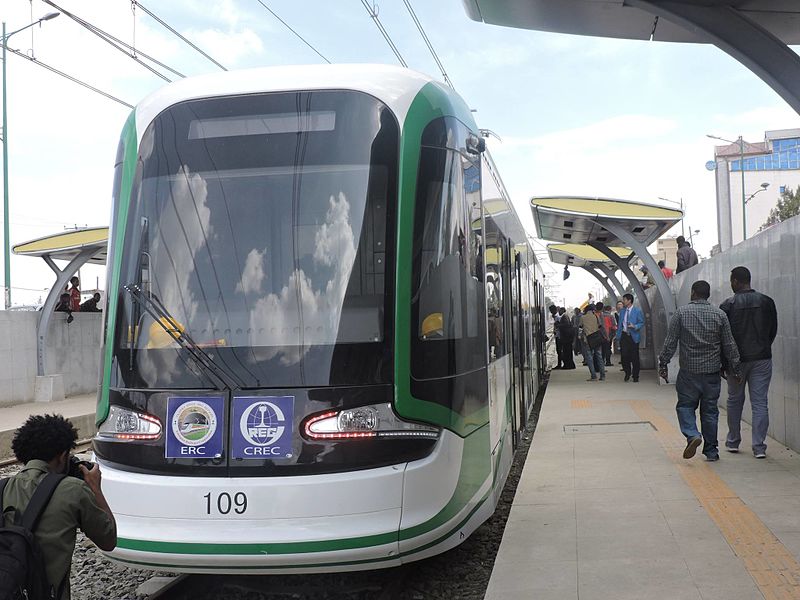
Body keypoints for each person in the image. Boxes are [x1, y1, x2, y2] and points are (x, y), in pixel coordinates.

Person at [1, 414, 117, 599]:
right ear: (63, 456)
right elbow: (109, 540)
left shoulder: (3, 488)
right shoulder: (74, 490)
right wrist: (95, 488)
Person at [658, 280, 742, 462]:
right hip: (712, 373)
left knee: (685, 406)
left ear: (694, 293)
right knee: (710, 411)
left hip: (689, 373)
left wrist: (663, 364)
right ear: (708, 294)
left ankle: (692, 434)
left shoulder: (681, 313)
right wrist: (736, 368)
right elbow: (729, 344)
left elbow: (670, 342)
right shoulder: (719, 315)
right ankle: (711, 451)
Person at [720, 266, 778, 458]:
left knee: (734, 401)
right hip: (762, 358)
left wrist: (724, 362)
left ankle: (733, 441)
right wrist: (764, 346)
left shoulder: (728, 305)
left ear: (736, 281)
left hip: (736, 362)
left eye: (731, 281)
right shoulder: (767, 302)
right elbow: (772, 330)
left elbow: (723, 337)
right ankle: (759, 447)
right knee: (760, 402)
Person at [616, 293, 644, 382]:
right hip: (624, 336)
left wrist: (635, 326)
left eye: (624, 300)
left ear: (629, 300)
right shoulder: (622, 311)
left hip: (633, 336)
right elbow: (620, 324)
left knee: (634, 356)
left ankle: (636, 376)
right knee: (624, 356)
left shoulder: (637, 311)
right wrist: (618, 335)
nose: (623, 301)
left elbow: (641, 322)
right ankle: (627, 372)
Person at [581, 302, 606, 381]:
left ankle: (593, 376)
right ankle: (602, 375)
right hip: (597, 339)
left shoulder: (583, 317)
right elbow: (600, 325)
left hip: (588, 339)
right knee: (599, 356)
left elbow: (580, 327)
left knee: (589, 358)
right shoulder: (596, 316)